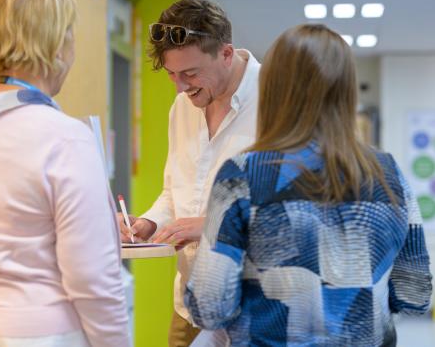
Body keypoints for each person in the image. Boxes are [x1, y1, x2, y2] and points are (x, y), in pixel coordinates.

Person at [185, 24, 433, 346]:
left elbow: (209, 307)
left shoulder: (242, 176)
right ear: (347, 90)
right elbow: (415, 295)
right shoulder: (389, 175)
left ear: (272, 88)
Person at [0, 0, 130, 347]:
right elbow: (93, 279)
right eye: (71, 35)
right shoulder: (65, 138)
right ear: (55, 46)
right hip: (40, 335)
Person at [117, 0, 261, 346]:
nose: (180, 87)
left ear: (226, 53)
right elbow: (174, 190)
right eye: (171, 75)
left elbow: (291, 211)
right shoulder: (182, 107)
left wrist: (212, 225)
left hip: (253, 310)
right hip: (190, 307)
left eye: (190, 73)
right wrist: (149, 223)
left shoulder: (275, 100)